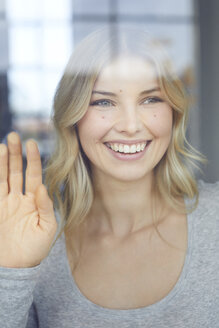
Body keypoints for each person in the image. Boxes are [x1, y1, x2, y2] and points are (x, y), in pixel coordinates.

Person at [0, 28, 218, 328]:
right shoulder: (35, 239)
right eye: (103, 102)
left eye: (150, 99)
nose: (130, 126)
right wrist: (12, 274)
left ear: (174, 112)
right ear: (73, 117)